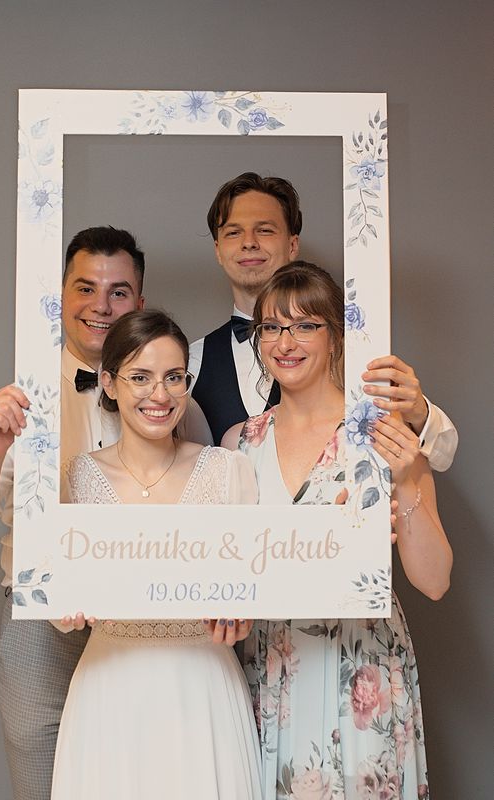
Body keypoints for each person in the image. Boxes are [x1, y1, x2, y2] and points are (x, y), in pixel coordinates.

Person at [0, 227, 212, 800]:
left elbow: (211, 513)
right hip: (42, 627)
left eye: (118, 291)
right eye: (85, 288)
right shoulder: (16, 404)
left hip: (152, 629)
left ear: (139, 301)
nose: (100, 306)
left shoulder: (176, 404)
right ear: (59, 295)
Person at [222, 262, 453, 799]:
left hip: (361, 663)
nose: (286, 342)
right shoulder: (239, 444)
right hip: (272, 665)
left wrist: (405, 481)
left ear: (336, 336)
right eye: (272, 327)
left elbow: (435, 580)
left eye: (305, 325)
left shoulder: (383, 437)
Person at [50, 309, 262, 799]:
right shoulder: (75, 479)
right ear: (109, 382)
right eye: (141, 377)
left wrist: (242, 615)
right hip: (109, 692)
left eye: (173, 377)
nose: (160, 394)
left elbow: (251, 589)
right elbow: (60, 604)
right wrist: (64, 608)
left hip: (203, 689)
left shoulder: (229, 471)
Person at [190, 171, 458, 472]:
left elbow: (443, 455)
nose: (249, 242)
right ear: (218, 250)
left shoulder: (347, 348)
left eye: (264, 230)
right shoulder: (191, 361)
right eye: (233, 232)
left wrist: (419, 413)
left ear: (292, 245)